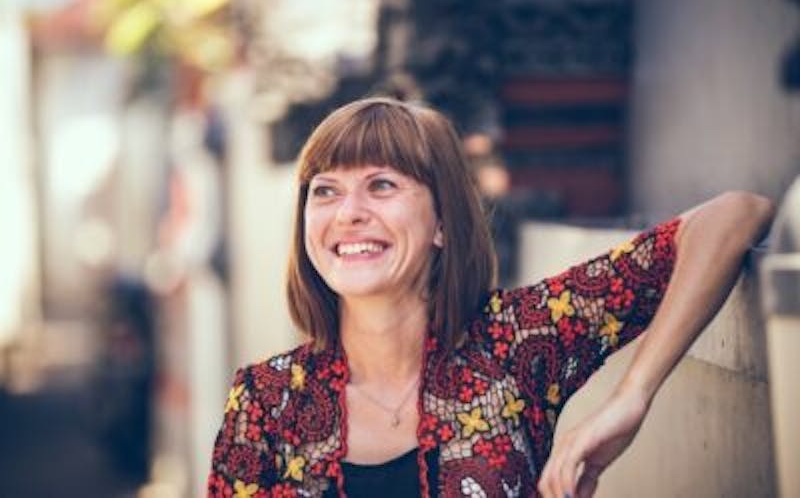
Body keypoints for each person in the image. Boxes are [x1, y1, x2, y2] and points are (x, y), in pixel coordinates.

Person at [207, 97, 774, 498]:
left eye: (382, 185)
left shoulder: (515, 343)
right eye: (325, 191)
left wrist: (633, 395)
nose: (347, 212)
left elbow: (734, 216)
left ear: (442, 223)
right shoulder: (266, 403)